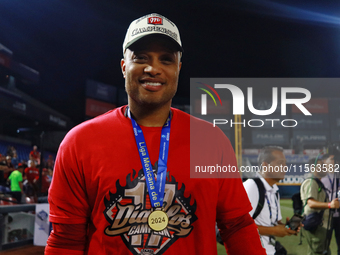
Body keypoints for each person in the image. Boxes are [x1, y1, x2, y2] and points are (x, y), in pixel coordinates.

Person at [45, 13, 265, 255]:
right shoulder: (80, 142)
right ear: (123, 66)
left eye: (166, 59)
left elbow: (237, 226)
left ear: (178, 69)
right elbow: (66, 240)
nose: (153, 68)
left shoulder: (211, 141)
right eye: (141, 58)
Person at [243, 146, 298, 255]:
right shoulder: (251, 186)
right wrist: (275, 231)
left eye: (285, 163)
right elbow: (239, 227)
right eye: (280, 163)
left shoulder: (274, 190)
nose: (285, 167)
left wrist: (285, 227)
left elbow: (270, 223)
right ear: (265, 166)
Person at [301, 156, 340, 255]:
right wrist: (330, 204)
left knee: (323, 251)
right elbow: (310, 203)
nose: (324, 167)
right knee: (318, 252)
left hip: (320, 224)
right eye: (321, 165)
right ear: (312, 168)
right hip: (316, 225)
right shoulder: (311, 182)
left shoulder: (317, 182)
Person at [321, 154, 340, 255]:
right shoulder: (320, 177)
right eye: (332, 159)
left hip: (339, 215)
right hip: (326, 215)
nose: (335, 161)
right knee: (324, 245)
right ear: (324, 161)